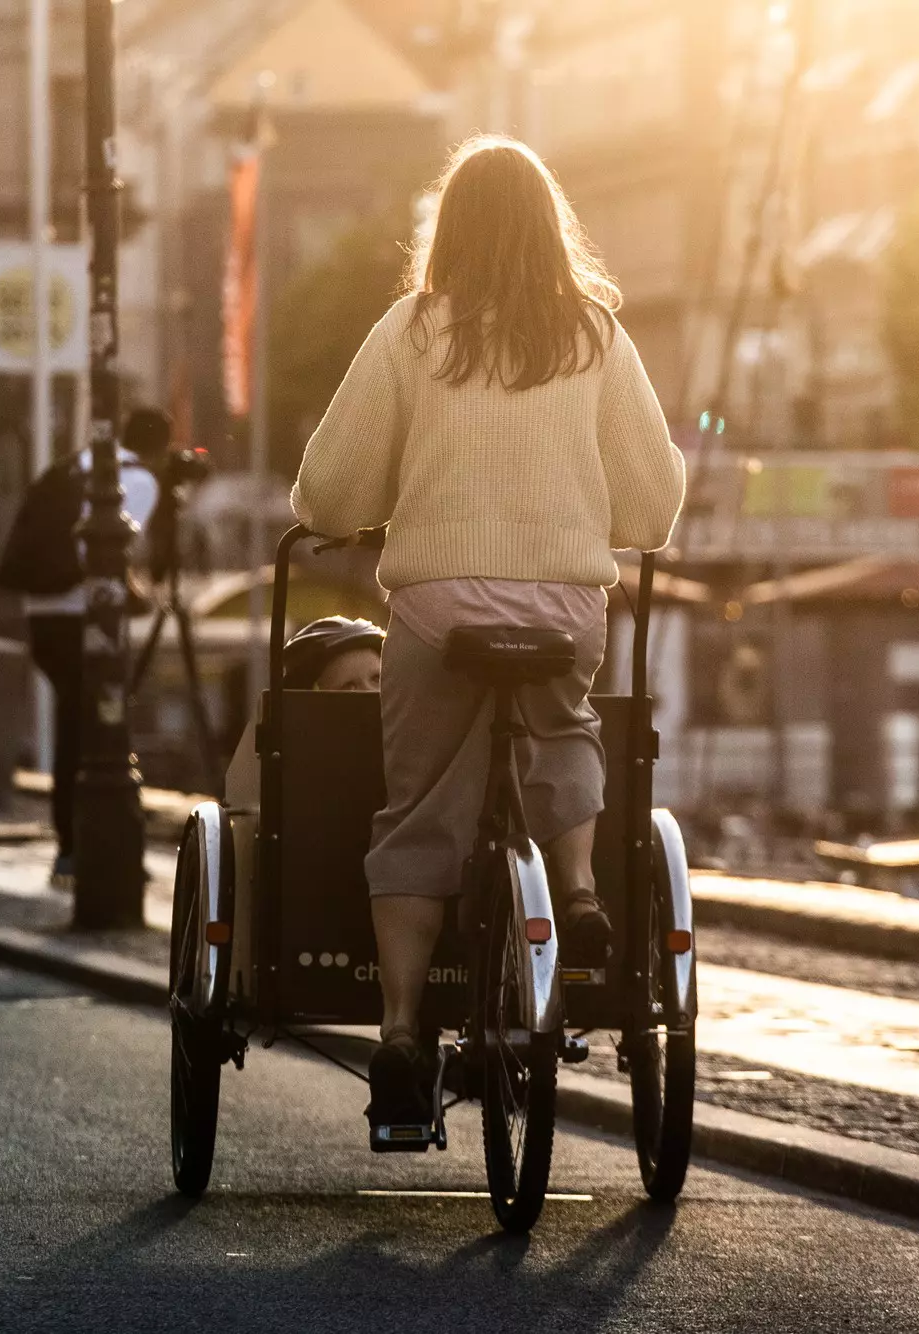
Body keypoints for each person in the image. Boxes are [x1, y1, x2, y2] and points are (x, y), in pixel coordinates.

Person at [289, 136, 686, 1133]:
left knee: (422, 804)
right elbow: (652, 509)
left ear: (449, 229)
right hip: (562, 607)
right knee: (564, 726)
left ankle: (396, 1028)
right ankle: (580, 885)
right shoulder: (595, 336)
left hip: (435, 611)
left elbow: (330, 492)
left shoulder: (411, 331)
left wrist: (375, 499)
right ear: (552, 228)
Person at [0, 418, 159, 891]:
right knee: (97, 728)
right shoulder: (139, 480)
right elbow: (112, 555)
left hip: (42, 615)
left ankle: (72, 845)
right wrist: (144, 596)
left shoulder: (66, 469)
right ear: (158, 451)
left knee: (77, 724)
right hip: (84, 619)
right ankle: (86, 845)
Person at [221, 616, 386, 810]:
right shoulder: (303, 774)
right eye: (349, 686)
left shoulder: (410, 750)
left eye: (377, 678)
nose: (370, 693)